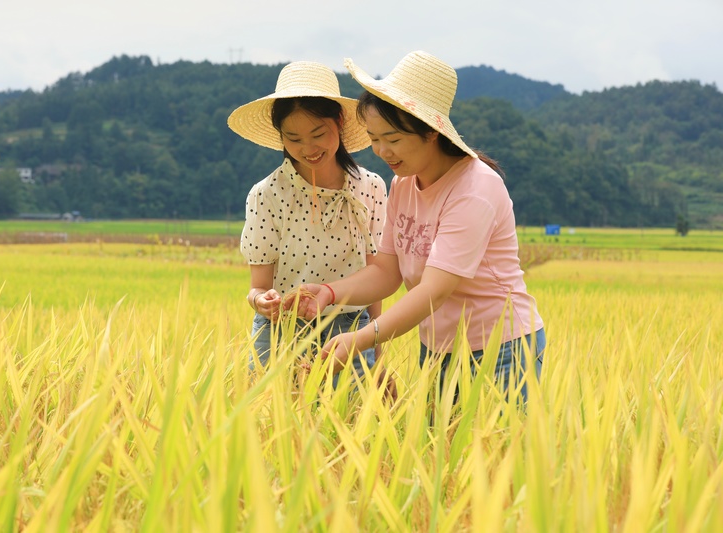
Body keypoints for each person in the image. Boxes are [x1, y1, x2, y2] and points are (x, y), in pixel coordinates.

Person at [285, 51, 545, 403]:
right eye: (374, 139)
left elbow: (434, 290)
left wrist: (359, 339)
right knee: (439, 452)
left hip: (500, 350)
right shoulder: (404, 184)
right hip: (438, 346)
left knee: (498, 454)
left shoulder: (475, 188)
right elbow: (387, 273)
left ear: (431, 132)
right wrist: (329, 293)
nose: (381, 151)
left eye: (392, 139)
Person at [227, 61, 388, 387]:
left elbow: (378, 274)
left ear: (339, 123)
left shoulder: (371, 187)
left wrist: (378, 342)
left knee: (349, 425)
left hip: (351, 328)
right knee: (271, 426)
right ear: (280, 137)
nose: (308, 148)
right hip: (282, 329)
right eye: (294, 138)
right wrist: (262, 301)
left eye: (318, 134)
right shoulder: (267, 194)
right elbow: (257, 287)